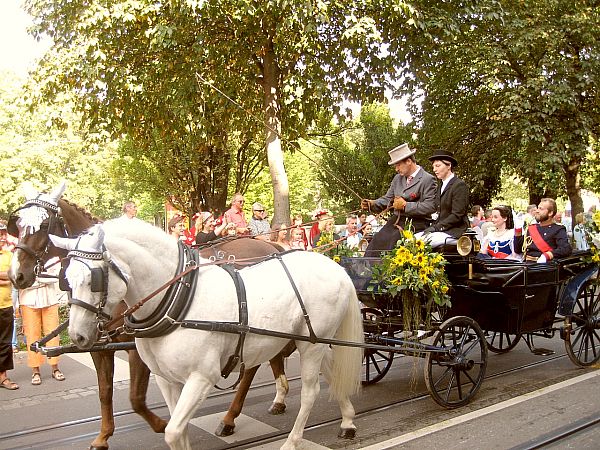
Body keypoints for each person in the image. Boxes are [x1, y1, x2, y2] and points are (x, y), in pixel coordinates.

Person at [361, 143, 437, 256]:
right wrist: (372, 204)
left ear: (408, 161)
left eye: (398, 165)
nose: (396, 169)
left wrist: (406, 205)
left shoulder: (428, 179)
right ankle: (367, 272)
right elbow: (388, 199)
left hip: (417, 223)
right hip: (396, 221)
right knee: (376, 241)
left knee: (394, 242)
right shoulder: (397, 179)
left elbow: (430, 206)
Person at [19, 256, 66, 385]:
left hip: (50, 300)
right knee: (32, 336)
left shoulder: (51, 258)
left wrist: (35, 279)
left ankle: (55, 368)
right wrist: (41, 279)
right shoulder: (23, 260)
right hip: (28, 301)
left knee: (53, 335)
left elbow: (54, 278)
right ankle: (35, 371)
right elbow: (21, 281)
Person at [416, 150, 469, 248]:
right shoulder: (440, 186)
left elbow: (457, 215)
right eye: (433, 167)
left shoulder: (459, 185)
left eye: (438, 166)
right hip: (442, 231)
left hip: (455, 231)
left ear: (449, 165)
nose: (434, 170)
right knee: (410, 240)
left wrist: (437, 227)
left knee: (421, 243)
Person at [515, 198, 572, 262]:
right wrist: (518, 230)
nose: (537, 211)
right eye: (538, 208)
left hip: (544, 267)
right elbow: (517, 249)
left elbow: (565, 249)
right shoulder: (531, 228)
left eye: (541, 209)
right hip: (527, 266)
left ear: (550, 213)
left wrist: (548, 255)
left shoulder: (558, 229)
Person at [0, 223, 18, 390]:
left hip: (5, 306)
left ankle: (3, 377)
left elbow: (13, 275)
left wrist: (6, 278)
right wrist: (5, 278)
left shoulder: (8, 255)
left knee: (5, 343)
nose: (2, 237)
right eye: (0, 234)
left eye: (4, 234)